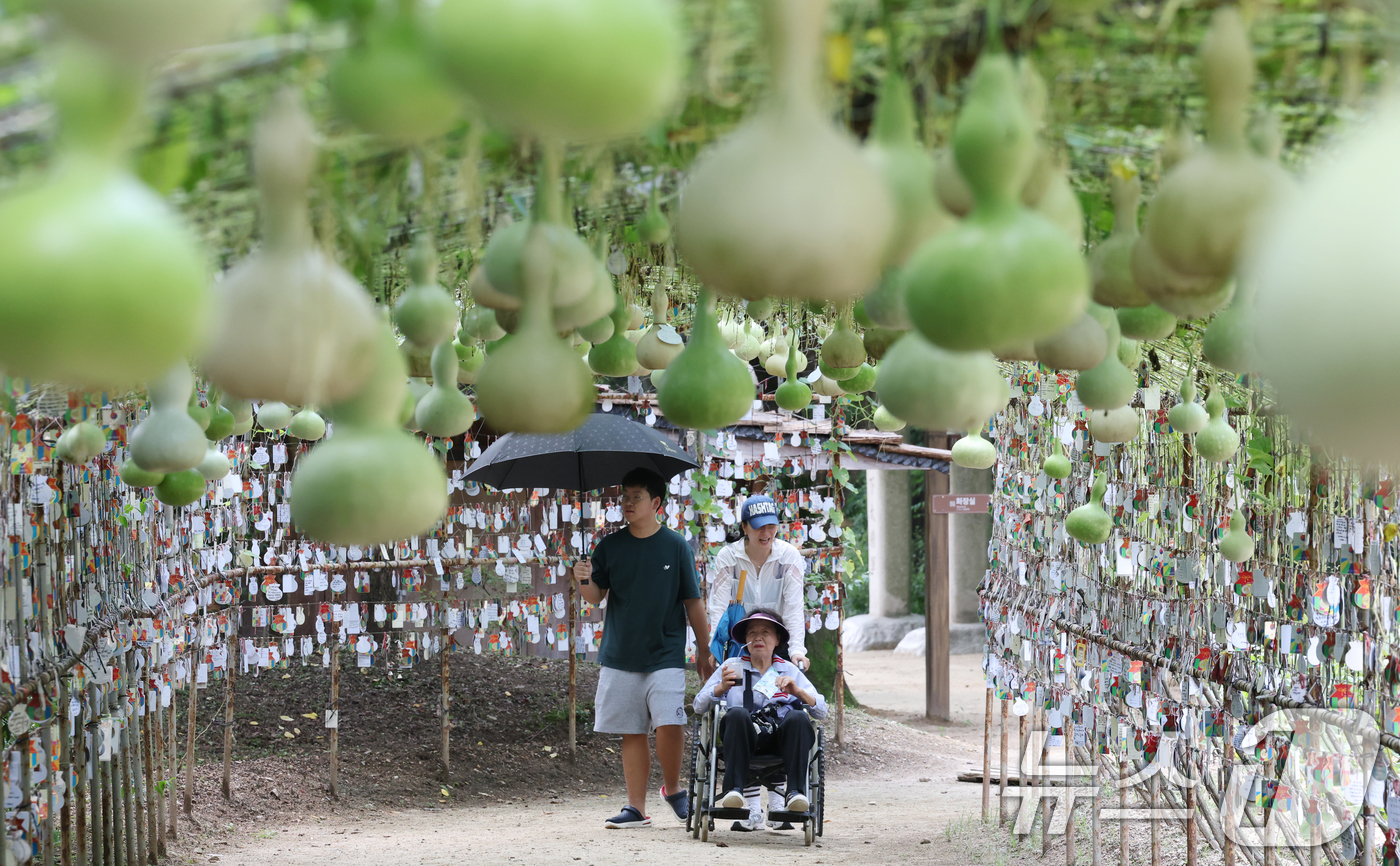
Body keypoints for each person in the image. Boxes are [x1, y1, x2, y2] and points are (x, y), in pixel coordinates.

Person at [573, 467, 715, 829]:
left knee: (670, 721)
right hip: (620, 653)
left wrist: (703, 649)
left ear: (656, 502)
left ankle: (674, 788)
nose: (628, 503)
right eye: (625, 497)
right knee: (631, 730)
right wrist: (583, 579)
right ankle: (636, 808)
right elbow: (595, 597)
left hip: (665, 651)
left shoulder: (676, 545)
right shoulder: (610, 546)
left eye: (636, 497)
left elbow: (693, 601)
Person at [693, 609, 827, 832]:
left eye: (766, 632)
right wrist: (720, 688)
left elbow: (821, 711)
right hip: (741, 738)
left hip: (780, 741)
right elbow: (699, 705)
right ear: (745, 640)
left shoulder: (789, 670)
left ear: (777, 640)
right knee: (736, 713)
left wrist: (797, 692)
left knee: (797, 717)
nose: (758, 637)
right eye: (752, 632)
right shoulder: (731, 667)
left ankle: (795, 793)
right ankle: (733, 790)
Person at [706, 494, 810, 671]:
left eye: (771, 526)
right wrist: (716, 647)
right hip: (740, 641)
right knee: (736, 696)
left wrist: (797, 650)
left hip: (777, 642)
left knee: (781, 695)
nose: (766, 533)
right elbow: (719, 606)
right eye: (759, 527)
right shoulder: (728, 556)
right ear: (745, 527)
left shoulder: (789, 556)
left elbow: (794, 606)